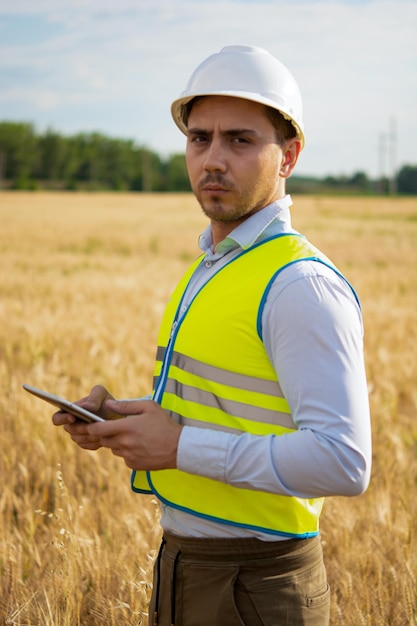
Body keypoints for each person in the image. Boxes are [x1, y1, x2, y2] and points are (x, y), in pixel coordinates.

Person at [53, 45, 372, 626]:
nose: (213, 159)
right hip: (186, 565)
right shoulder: (214, 265)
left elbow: (344, 461)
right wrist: (126, 421)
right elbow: (227, 409)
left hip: (257, 583)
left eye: (240, 140)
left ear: (289, 156)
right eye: (200, 139)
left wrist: (177, 447)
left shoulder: (299, 284)